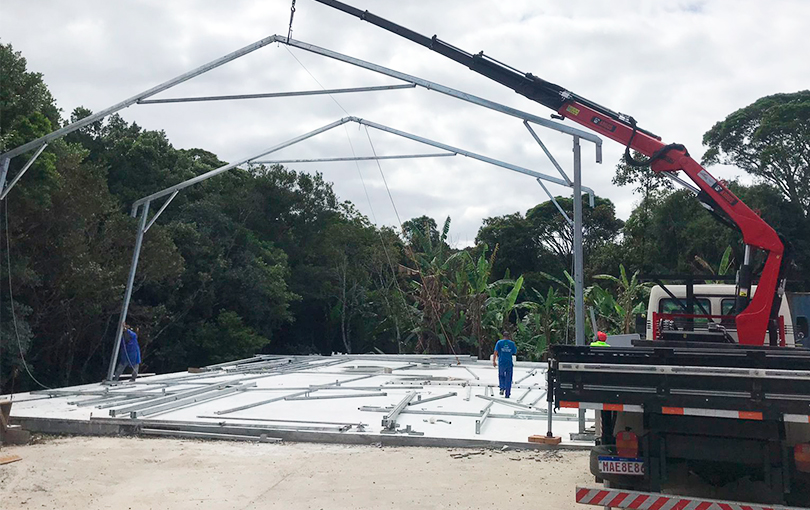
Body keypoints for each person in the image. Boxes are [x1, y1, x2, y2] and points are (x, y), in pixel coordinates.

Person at [493, 330, 517, 398]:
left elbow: (495, 352)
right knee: (509, 378)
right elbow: (514, 352)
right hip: (509, 362)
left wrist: (494, 361)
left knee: (501, 375)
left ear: (503, 336)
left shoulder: (499, 342)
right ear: (509, 337)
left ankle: (502, 388)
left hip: (502, 362)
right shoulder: (512, 343)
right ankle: (507, 393)